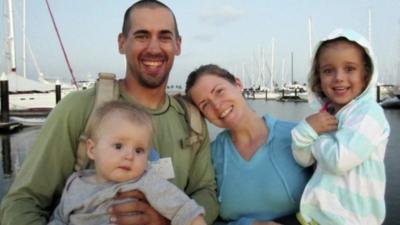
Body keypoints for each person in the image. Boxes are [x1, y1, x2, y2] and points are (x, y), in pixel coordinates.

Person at [0, 1, 219, 225]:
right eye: (142, 36)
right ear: (122, 43)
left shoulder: (191, 121)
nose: (154, 48)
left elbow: (206, 192)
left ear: (178, 45)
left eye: (164, 37)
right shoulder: (79, 108)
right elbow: (22, 202)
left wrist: (165, 220)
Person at [185, 64, 312, 225]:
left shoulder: (298, 135)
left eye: (219, 91)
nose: (216, 105)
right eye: (205, 105)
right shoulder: (210, 156)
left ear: (238, 85)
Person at [47, 100, 206, 225]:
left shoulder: (146, 181)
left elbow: (186, 211)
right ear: (92, 149)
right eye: (118, 146)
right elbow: (60, 218)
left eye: (139, 150)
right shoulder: (74, 183)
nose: (129, 156)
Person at [291, 28, 390, 225]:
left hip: (354, 219)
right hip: (315, 217)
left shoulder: (369, 113)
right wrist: (306, 130)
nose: (339, 77)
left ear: (365, 75)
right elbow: (303, 159)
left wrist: (315, 136)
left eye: (350, 69)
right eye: (328, 70)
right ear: (318, 77)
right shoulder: (325, 115)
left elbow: (339, 160)